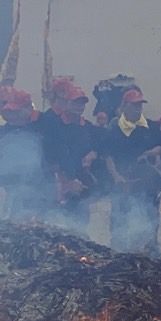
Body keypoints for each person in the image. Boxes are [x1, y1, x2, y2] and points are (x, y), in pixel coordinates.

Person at [102, 89, 161, 257]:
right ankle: (117, 253)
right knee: (119, 219)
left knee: (151, 217)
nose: (138, 109)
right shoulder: (114, 128)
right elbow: (108, 155)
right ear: (124, 106)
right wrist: (117, 177)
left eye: (140, 105)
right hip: (122, 181)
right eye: (134, 105)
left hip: (146, 182)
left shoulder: (150, 127)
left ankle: (151, 252)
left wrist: (151, 153)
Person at [0, 90, 49, 220]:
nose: (12, 116)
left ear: (29, 108)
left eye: (16, 111)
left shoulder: (46, 124)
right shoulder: (7, 128)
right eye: (9, 112)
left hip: (40, 185)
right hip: (10, 186)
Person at [42, 85, 99, 224]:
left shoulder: (87, 126)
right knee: (58, 221)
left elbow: (99, 145)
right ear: (65, 103)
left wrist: (93, 153)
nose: (79, 106)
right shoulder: (54, 124)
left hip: (81, 180)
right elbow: (58, 151)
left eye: (82, 103)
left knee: (81, 220)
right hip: (60, 179)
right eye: (75, 102)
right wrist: (69, 178)